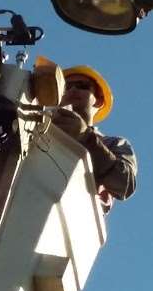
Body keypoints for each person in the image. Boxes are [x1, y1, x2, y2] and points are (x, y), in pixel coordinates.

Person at [51, 65, 137, 212]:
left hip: (78, 217)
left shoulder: (113, 144)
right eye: (66, 87)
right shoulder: (40, 131)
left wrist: (85, 137)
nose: (72, 90)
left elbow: (124, 184)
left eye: (82, 86)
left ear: (98, 101)